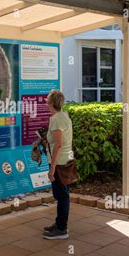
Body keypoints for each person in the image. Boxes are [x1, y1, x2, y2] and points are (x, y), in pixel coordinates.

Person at [43, 90, 74, 240]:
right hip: (64, 160)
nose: (46, 101)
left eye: (47, 99)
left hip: (60, 162)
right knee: (62, 194)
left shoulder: (57, 119)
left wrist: (52, 168)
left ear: (51, 103)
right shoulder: (63, 116)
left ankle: (62, 229)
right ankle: (59, 224)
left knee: (61, 195)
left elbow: (58, 145)